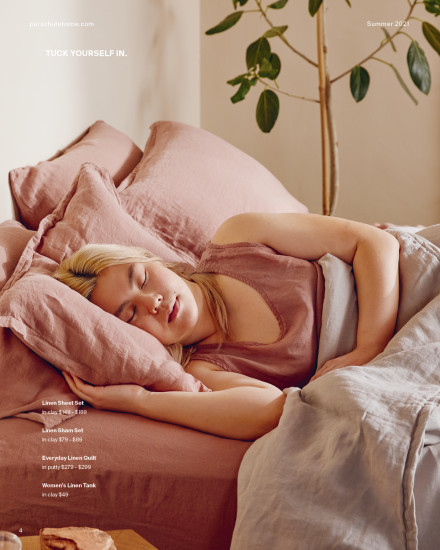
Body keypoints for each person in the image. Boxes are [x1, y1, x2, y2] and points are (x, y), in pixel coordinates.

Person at [55, 212, 400, 440]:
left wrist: (369, 348)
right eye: (130, 315)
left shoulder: (239, 238)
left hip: (400, 285)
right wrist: (140, 400)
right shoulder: (203, 368)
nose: (152, 302)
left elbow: (374, 242)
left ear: (153, 261)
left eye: (142, 278)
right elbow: (268, 411)